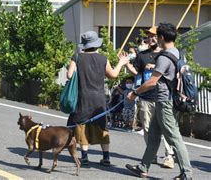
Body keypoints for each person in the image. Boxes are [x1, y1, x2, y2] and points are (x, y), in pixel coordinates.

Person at [126, 23, 192, 179]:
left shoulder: (164, 56)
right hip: (168, 100)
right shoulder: (177, 52)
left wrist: (134, 93)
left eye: (157, 36)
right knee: (154, 136)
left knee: (174, 138)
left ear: (161, 38)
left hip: (165, 102)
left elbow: (151, 82)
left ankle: (186, 174)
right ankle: (143, 167)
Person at [66, 31, 129, 167]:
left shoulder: (76, 57)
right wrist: (121, 63)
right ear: (96, 44)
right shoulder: (103, 59)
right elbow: (113, 75)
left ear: (84, 45)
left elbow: (69, 75)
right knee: (101, 125)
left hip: (83, 97)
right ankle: (106, 157)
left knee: (82, 125)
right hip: (99, 97)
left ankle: (84, 158)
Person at [125, 26, 175, 169]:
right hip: (146, 97)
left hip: (162, 97)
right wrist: (126, 63)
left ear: (160, 37)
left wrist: (154, 67)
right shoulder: (142, 55)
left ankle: (169, 156)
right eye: (149, 36)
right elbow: (136, 72)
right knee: (147, 129)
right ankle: (151, 155)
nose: (151, 38)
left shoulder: (166, 55)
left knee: (166, 129)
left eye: (154, 36)